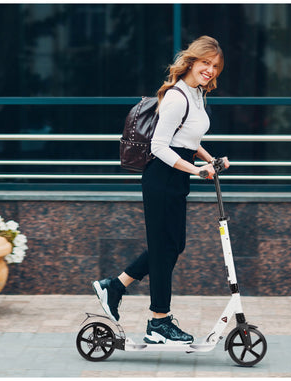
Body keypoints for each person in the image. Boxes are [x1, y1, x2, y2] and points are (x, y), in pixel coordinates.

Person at [92, 35, 230, 345]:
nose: (210, 70)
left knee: (171, 245)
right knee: (164, 247)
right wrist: (196, 169)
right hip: (161, 178)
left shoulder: (196, 94)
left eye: (215, 66)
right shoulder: (178, 96)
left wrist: (210, 158)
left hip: (175, 179)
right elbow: (160, 146)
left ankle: (115, 286)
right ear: (192, 61)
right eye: (205, 63)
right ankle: (158, 321)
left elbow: (187, 139)